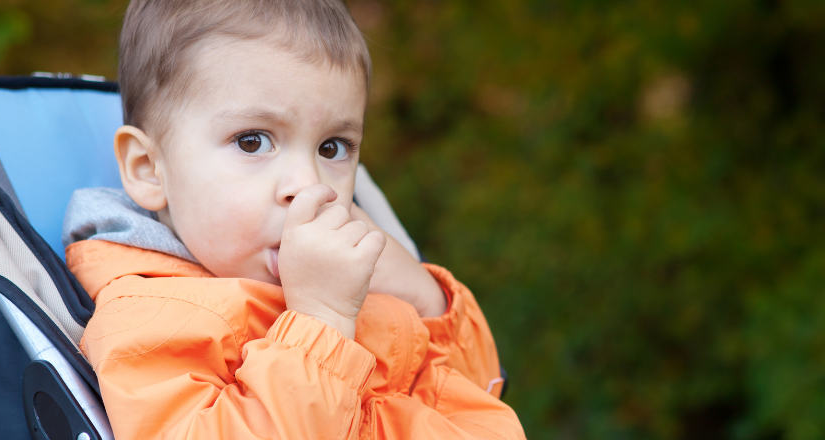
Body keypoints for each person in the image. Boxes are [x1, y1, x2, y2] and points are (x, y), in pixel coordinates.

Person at [60, 0, 524, 438]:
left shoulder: (351, 277)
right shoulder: (148, 319)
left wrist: (427, 300)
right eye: (252, 141)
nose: (308, 184)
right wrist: (320, 322)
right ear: (149, 169)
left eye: (332, 148)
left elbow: (484, 391)